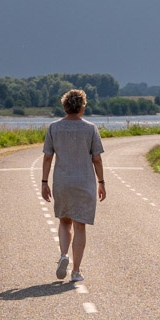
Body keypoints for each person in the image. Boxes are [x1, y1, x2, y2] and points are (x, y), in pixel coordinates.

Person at [41, 89, 106, 283]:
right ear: (82, 106)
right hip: (84, 182)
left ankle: (63, 255)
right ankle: (76, 271)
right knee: (80, 225)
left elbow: (47, 157)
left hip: (62, 181)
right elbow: (97, 159)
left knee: (64, 221)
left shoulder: (54, 128)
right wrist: (101, 182)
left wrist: (44, 182)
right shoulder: (91, 128)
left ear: (65, 106)